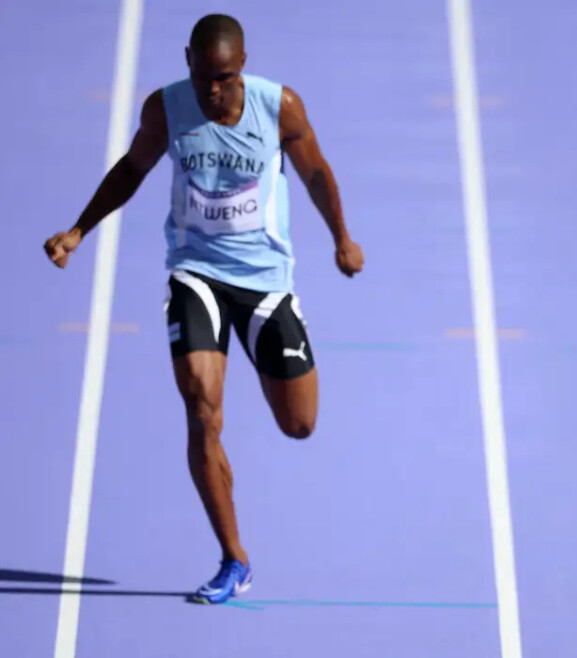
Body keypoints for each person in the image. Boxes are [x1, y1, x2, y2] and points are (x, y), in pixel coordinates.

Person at [43, 14, 364, 604]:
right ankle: (233, 558)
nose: (213, 91)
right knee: (201, 404)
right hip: (196, 272)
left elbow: (316, 171)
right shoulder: (166, 109)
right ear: (186, 57)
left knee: (299, 424)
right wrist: (78, 230)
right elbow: (131, 170)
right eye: (203, 77)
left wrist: (341, 237)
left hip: (266, 281)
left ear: (241, 68)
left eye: (224, 78)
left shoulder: (279, 107)